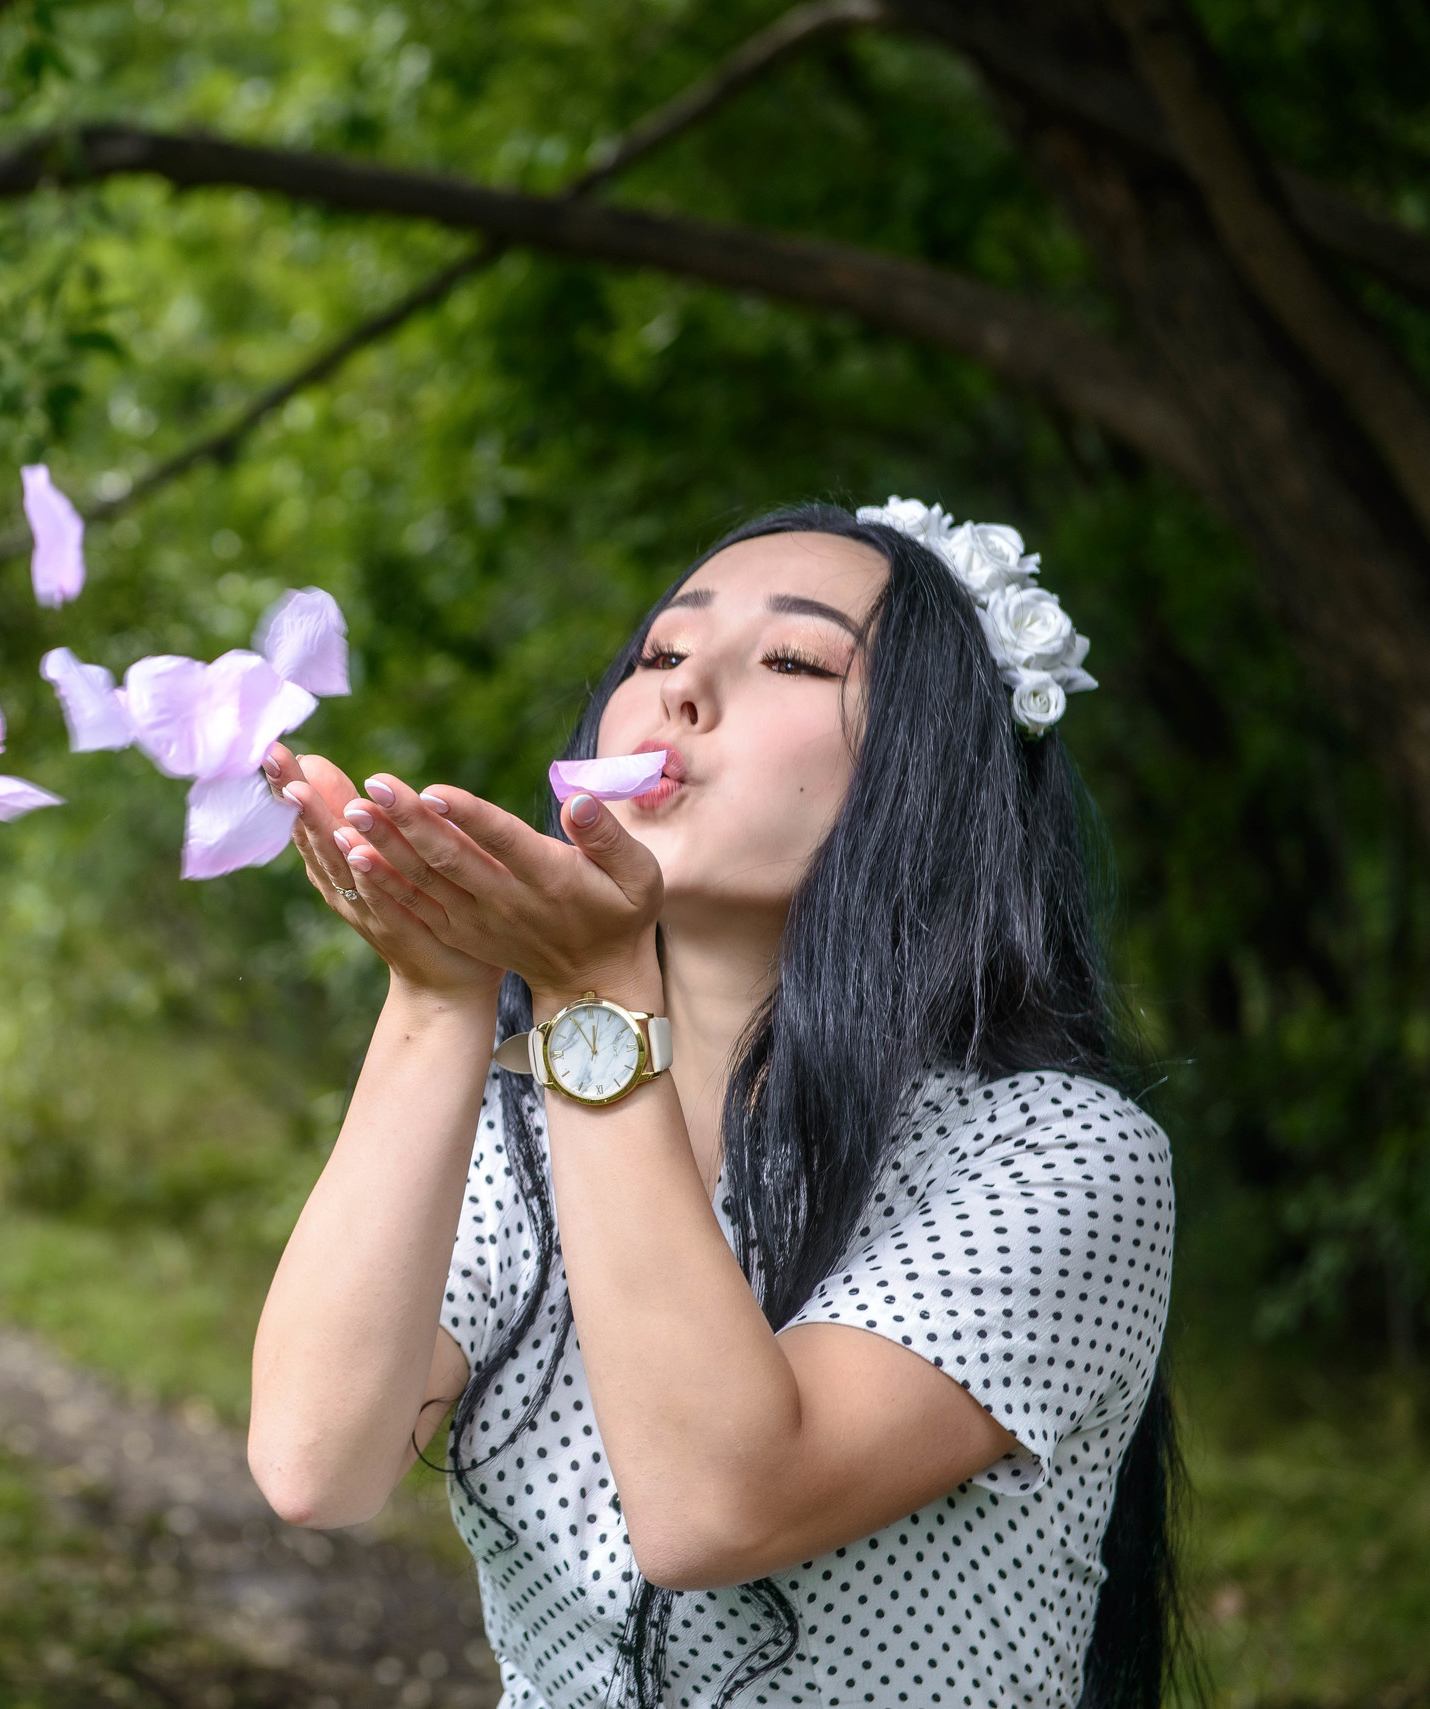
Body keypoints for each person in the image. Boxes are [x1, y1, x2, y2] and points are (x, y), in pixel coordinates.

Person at [248, 502, 1179, 1708]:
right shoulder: (519, 1124)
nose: (679, 694)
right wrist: (435, 990)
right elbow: (317, 1460)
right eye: (660, 654)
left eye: (792, 657)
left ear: (930, 767)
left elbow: (714, 1506)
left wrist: (588, 991)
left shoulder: (1062, 1158)